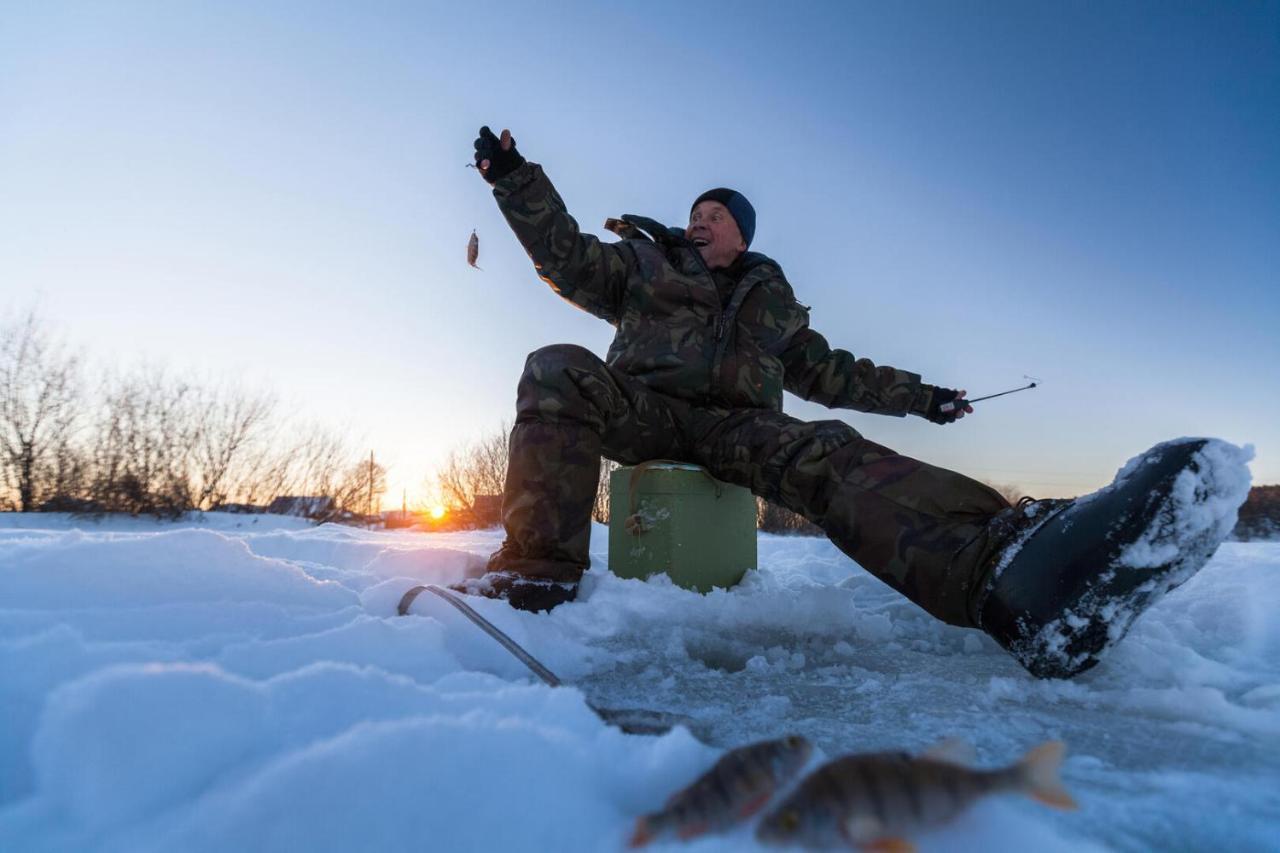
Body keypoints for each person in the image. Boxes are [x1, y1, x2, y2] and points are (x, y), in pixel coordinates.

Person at [453, 126, 1235, 679]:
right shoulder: (646, 263)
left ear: (741, 235)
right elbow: (566, 256)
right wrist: (516, 181)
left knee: (822, 443)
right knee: (556, 367)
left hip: (740, 427)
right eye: (695, 211)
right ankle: (538, 574)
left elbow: (841, 374)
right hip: (645, 407)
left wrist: (927, 398)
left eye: (715, 213)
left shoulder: (771, 300)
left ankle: (1003, 573)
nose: (699, 218)